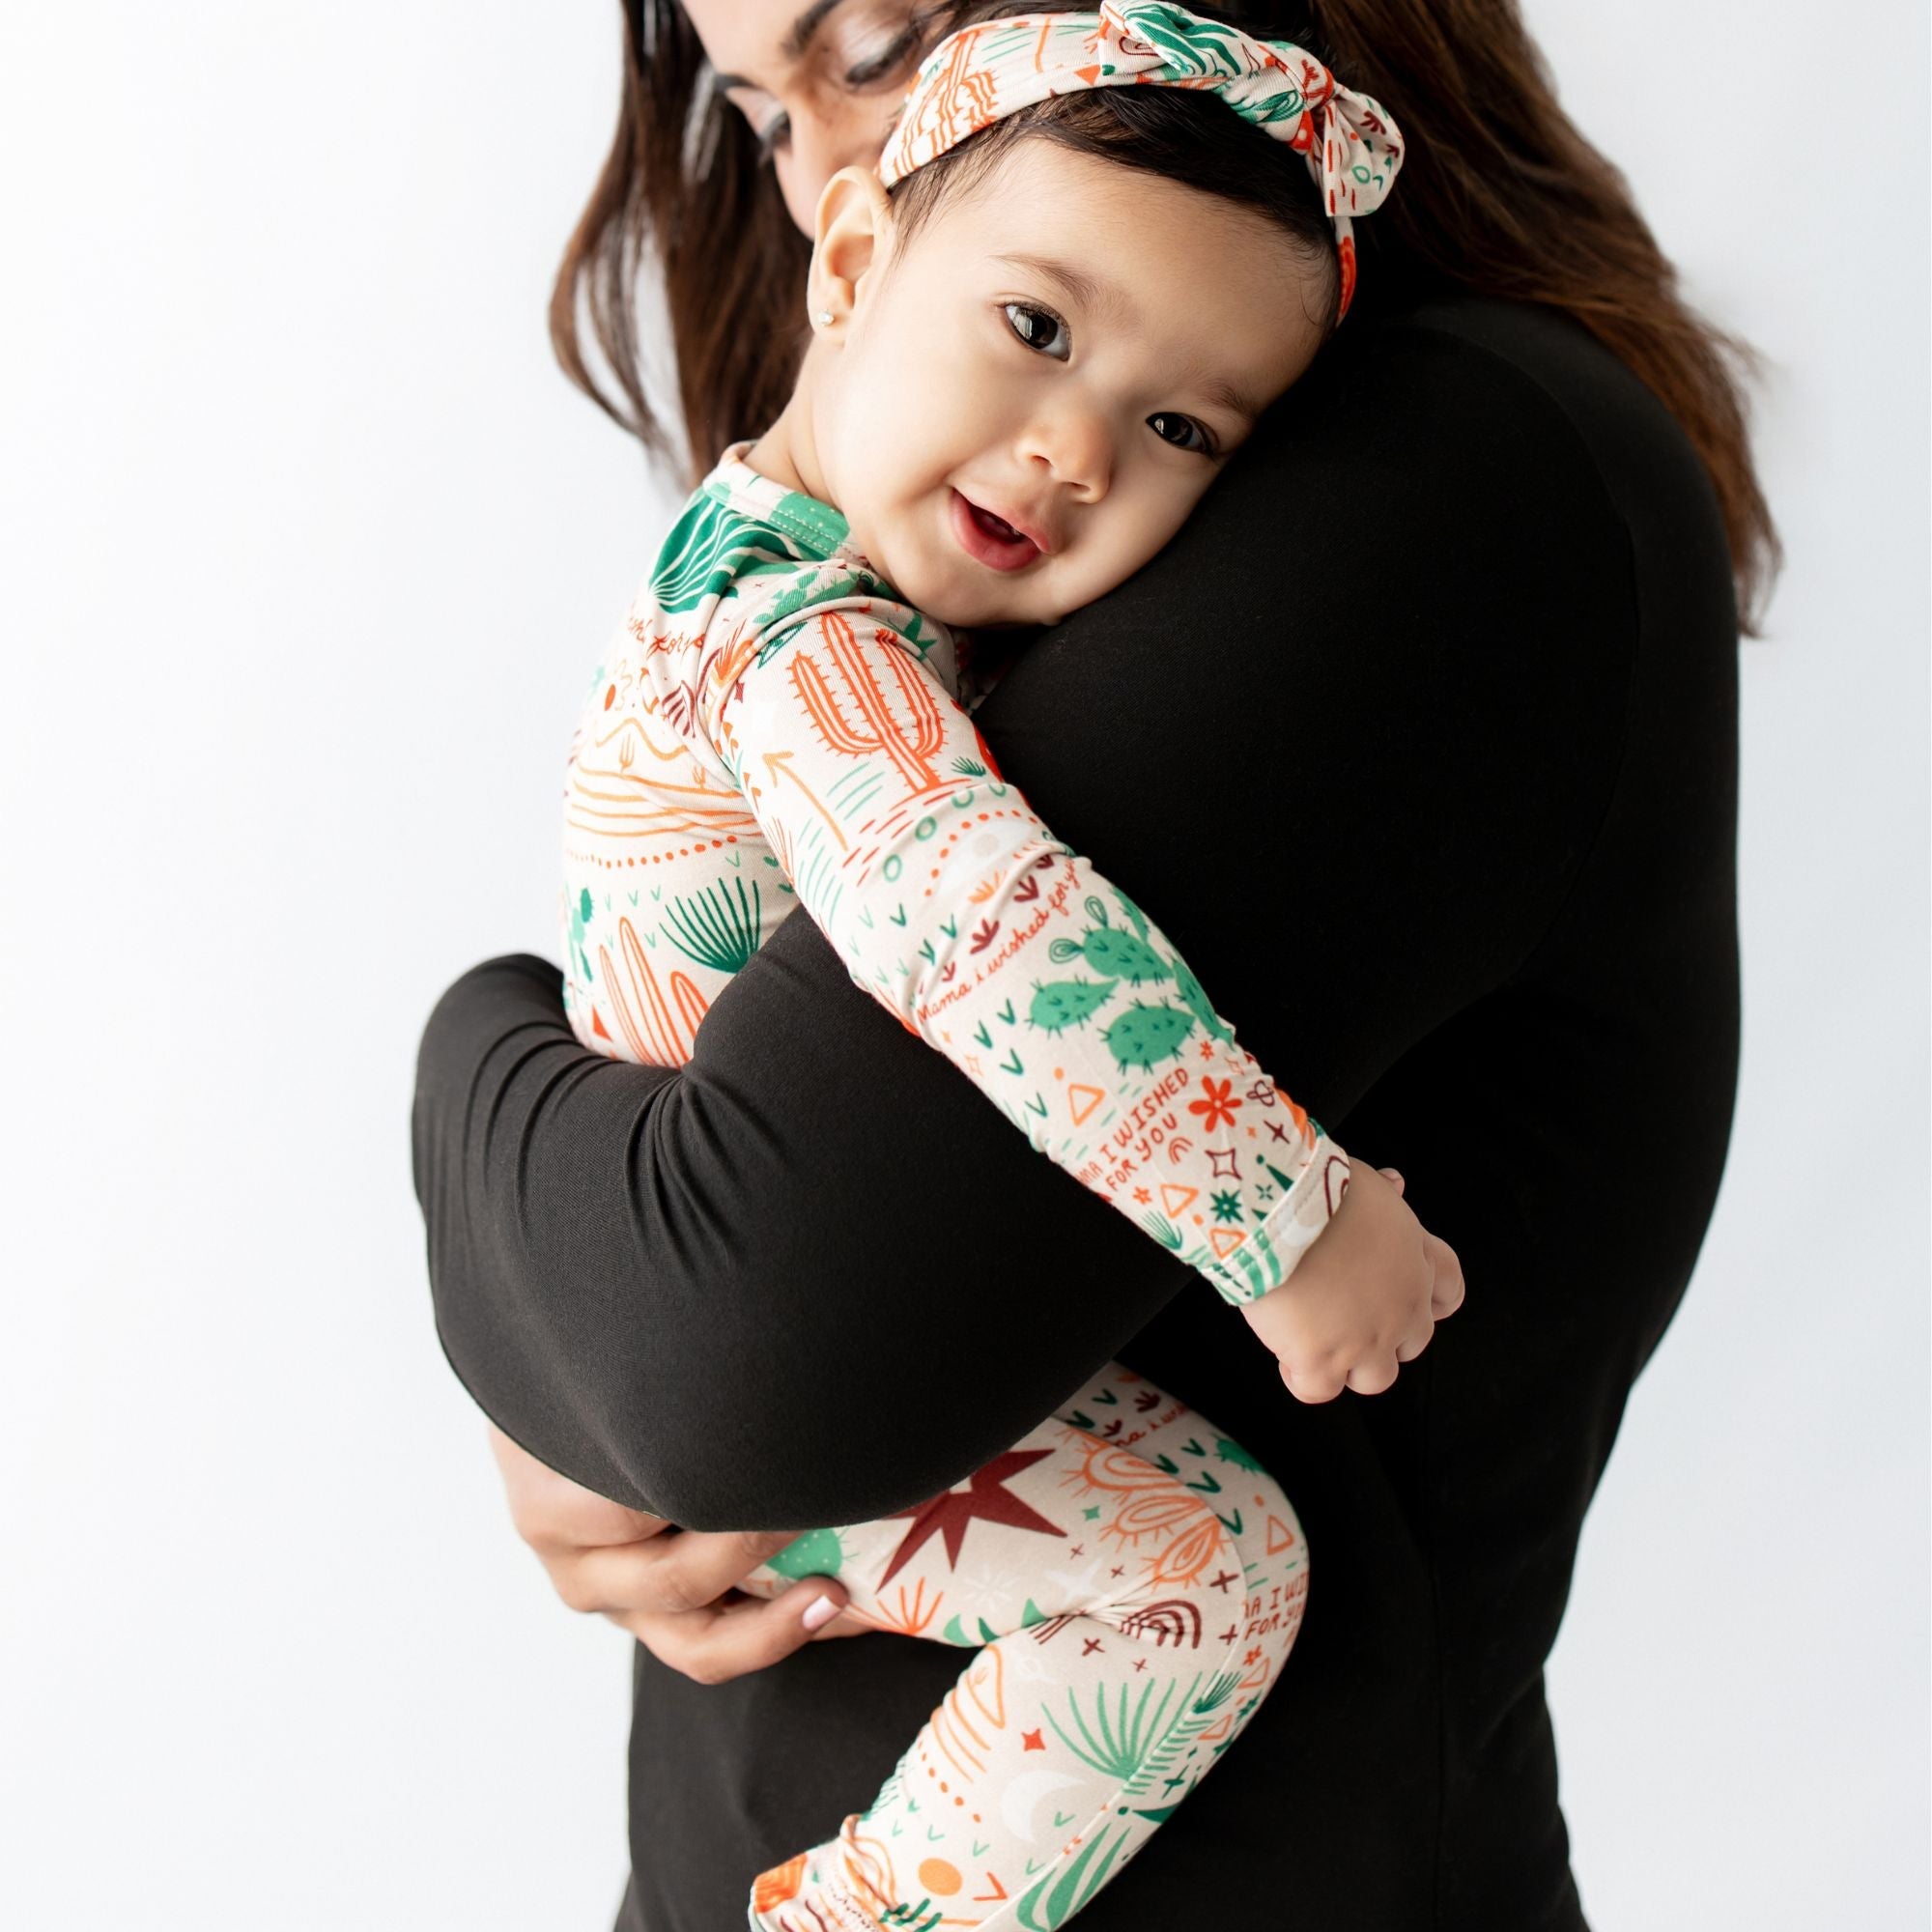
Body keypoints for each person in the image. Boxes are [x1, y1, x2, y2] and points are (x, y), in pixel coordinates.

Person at [411, 1, 1772, 1924]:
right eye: (760, 108)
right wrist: (566, 1319)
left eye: (872, 43)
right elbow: (716, 1303)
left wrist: (500, 1148)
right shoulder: (828, 610)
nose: (814, 167)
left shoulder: (1434, 471)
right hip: (739, 1850)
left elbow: (734, 1337)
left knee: (1201, 1567)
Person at [555, 14, 1463, 1921]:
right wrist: (1288, 1221)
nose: (1074, 453)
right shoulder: (801, 646)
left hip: (732, 1353)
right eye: (1037, 327)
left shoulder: (766, 569)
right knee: (1202, 1572)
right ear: (855, 258)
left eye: (1182, 428)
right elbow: (990, 931)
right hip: (776, 1382)